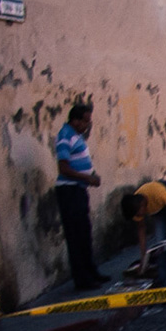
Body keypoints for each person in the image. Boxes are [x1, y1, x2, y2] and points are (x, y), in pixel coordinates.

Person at [54, 102, 106, 290]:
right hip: (69, 191)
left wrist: (91, 176)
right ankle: (82, 280)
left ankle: (92, 272)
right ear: (75, 120)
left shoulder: (75, 136)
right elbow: (63, 168)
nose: (87, 125)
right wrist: (87, 178)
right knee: (76, 237)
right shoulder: (64, 136)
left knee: (85, 234)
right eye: (85, 121)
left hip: (78, 190)